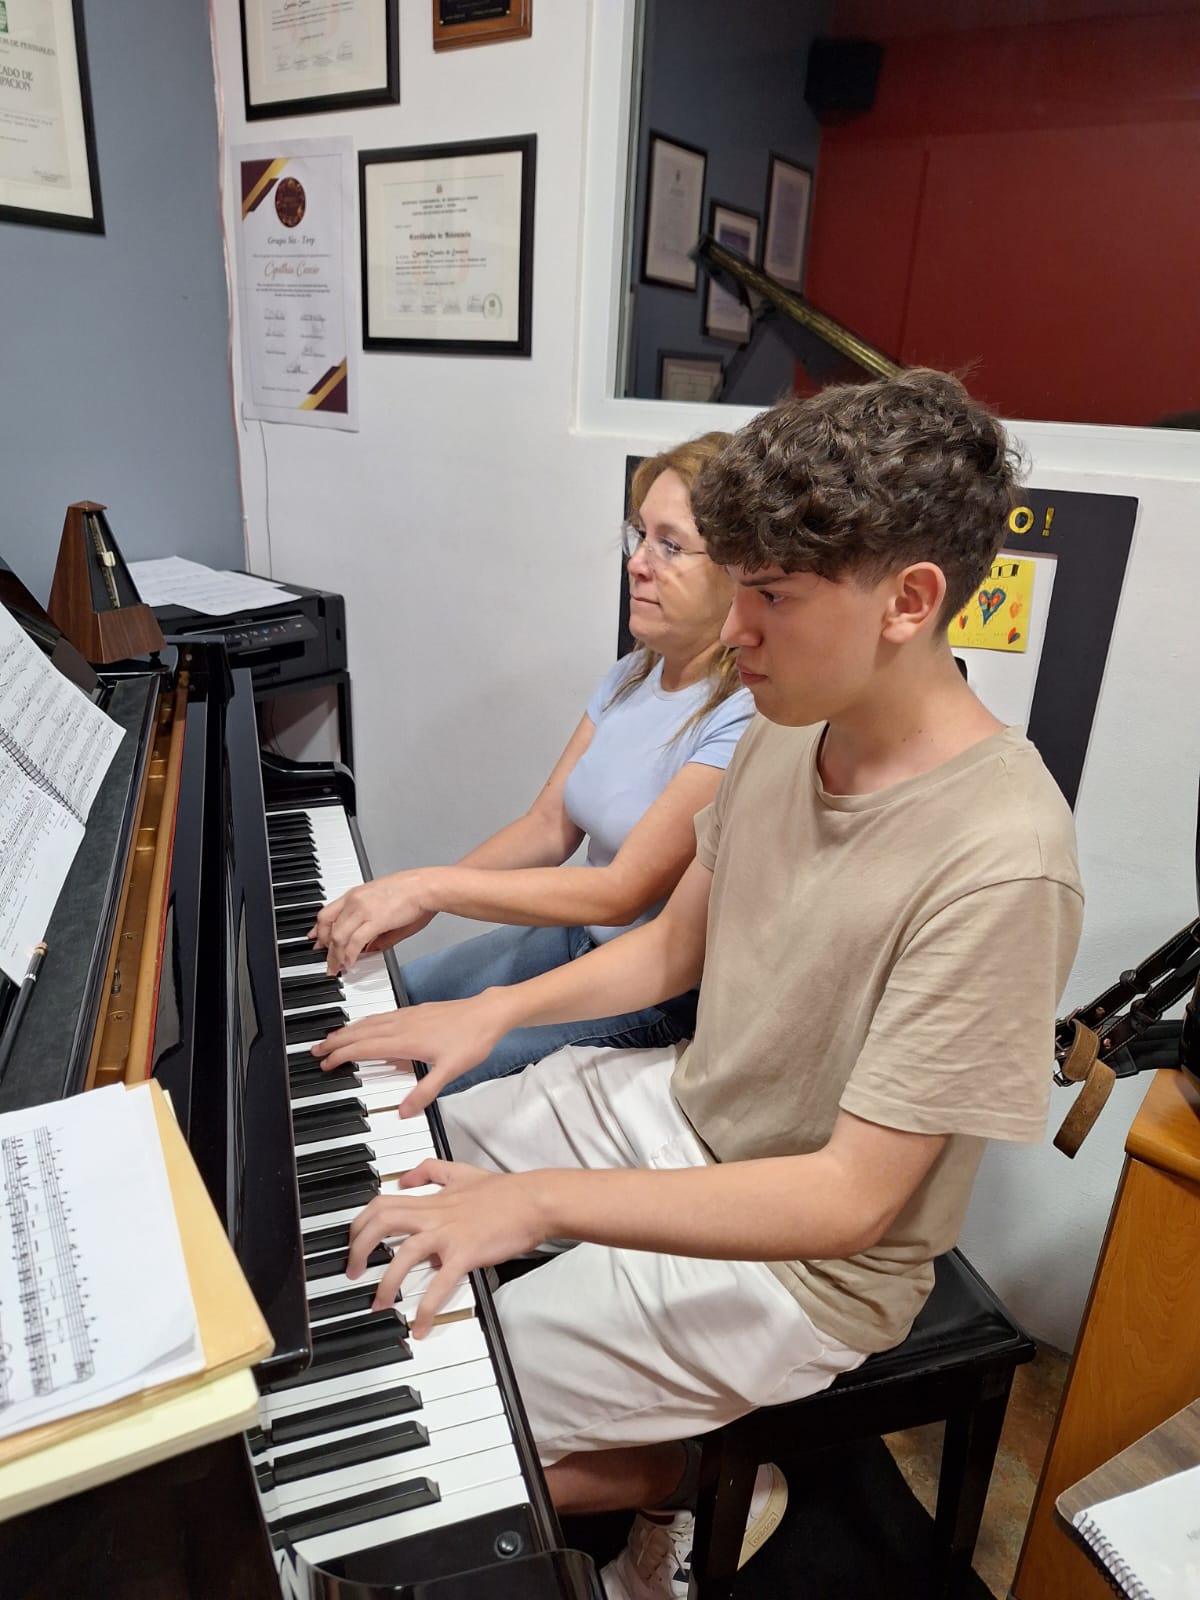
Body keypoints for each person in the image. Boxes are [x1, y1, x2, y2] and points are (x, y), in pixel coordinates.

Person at [313, 370, 1084, 1600]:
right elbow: (670, 951)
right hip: (680, 1108)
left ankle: (684, 1475)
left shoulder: (1004, 861)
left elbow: (844, 1201)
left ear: (911, 600)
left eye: (772, 596)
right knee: (383, 1150)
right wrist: (492, 1010)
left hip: (813, 1261)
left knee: (433, 1399)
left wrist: (545, 1206)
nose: (737, 632)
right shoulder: (786, 721)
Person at [310, 432, 754, 1090]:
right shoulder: (633, 673)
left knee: (392, 1068)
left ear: (739, 571)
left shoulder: (741, 713)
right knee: (379, 1014)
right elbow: (549, 826)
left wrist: (430, 887)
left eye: (671, 544)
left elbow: (620, 891)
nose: (637, 564)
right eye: (640, 537)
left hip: (649, 994)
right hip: (574, 942)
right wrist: (424, 902)